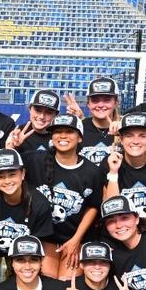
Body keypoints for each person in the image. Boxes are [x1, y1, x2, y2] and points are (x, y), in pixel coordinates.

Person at [26, 113, 101, 275]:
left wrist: (76, 240)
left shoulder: (92, 171)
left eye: (69, 131)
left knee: (67, 285)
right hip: (45, 238)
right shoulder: (37, 160)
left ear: (80, 138)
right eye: (57, 131)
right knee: (48, 282)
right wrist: (11, 146)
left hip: (75, 238)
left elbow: (93, 206)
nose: (63, 136)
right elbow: (9, 173)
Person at [0, 147, 52, 283]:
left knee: (40, 276)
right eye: (0, 176)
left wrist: (23, 268)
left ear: (23, 174)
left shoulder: (39, 203)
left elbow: (37, 246)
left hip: (27, 251)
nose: (7, 181)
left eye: (12, 174)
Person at [78, 77, 123, 166]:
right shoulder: (79, 128)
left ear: (116, 102)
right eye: (95, 100)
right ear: (88, 104)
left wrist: (124, 133)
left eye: (107, 100)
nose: (100, 105)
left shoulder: (126, 128)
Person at [4, 90, 60, 159]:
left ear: (56, 115)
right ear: (30, 109)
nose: (42, 116)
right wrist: (10, 149)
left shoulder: (60, 136)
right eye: (38, 110)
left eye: (48, 112)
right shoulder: (17, 134)